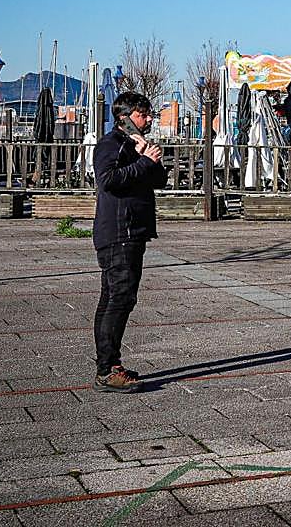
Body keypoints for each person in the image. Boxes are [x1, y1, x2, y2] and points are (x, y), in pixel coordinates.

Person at [91, 91, 168, 393]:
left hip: (133, 231)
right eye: (142, 114)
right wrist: (144, 162)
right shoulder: (109, 145)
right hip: (118, 233)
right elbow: (108, 180)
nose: (148, 119)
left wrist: (149, 157)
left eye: (149, 114)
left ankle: (108, 363)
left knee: (115, 297)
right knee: (119, 298)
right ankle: (107, 369)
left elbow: (158, 181)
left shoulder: (135, 146)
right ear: (125, 118)